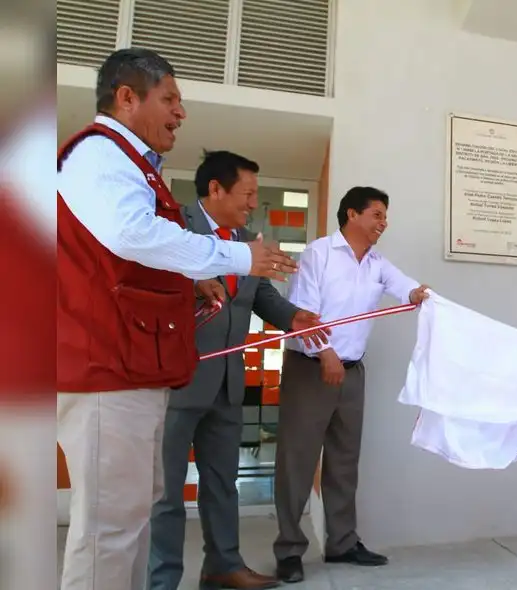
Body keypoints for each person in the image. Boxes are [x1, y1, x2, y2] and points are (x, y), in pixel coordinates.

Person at [56, 48, 297, 590]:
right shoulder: (100, 153)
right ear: (126, 97)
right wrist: (238, 258)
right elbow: (133, 235)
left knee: (130, 518)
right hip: (107, 366)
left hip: (138, 367)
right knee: (109, 530)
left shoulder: (132, 164)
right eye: (170, 99)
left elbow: (129, 261)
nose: (180, 113)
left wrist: (192, 281)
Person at [148, 151, 330, 590]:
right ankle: (161, 580)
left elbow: (261, 296)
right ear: (215, 189)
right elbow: (148, 280)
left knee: (221, 484)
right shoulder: (170, 228)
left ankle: (223, 566)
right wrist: (190, 285)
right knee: (165, 493)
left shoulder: (248, 241)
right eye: (247, 194)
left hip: (228, 383)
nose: (253, 204)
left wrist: (293, 317)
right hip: (177, 381)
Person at [272, 187, 430, 583]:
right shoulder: (319, 254)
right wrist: (325, 353)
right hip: (311, 368)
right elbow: (305, 312)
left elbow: (406, 287)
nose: (383, 223)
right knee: (298, 461)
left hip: (352, 372)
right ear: (352, 215)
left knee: (343, 461)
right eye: (377, 215)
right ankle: (289, 550)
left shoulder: (376, 262)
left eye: (385, 216)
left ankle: (342, 542)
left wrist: (420, 294)